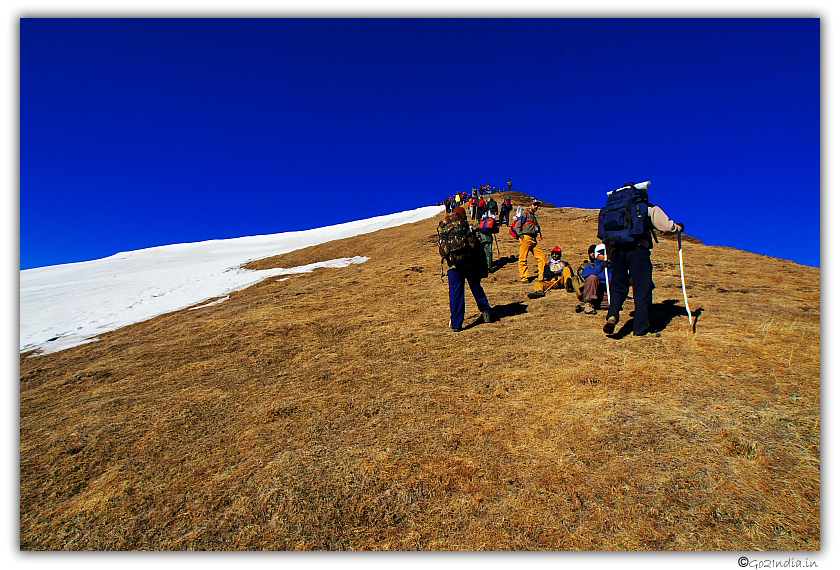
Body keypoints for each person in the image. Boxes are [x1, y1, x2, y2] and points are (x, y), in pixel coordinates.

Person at [600, 183, 684, 336]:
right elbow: (665, 227)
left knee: (618, 286)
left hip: (616, 250)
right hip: (638, 249)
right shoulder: (646, 207)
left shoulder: (611, 210)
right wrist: (677, 228)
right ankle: (640, 327)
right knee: (642, 287)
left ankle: (612, 315)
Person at [438, 206, 493, 332]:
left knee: (456, 293)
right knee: (476, 287)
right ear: (463, 215)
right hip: (470, 263)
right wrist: (484, 267)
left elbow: (442, 250)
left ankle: (457, 324)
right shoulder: (467, 226)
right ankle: (486, 311)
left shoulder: (445, 226)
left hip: (453, 265)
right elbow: (479, 248)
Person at [513, 200, 547, 285]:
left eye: (537, 205)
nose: (536, 207)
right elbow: (518, 225)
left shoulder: (534, 217)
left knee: (541, 257)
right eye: (534, 205)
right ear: (530, 205)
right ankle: (524, 278)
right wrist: (521, 235)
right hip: (526, 238)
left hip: (534, 240)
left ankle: (541, 277)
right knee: (523, 258)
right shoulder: (525, 214)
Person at [577, 244, 612, 314]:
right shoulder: (592, 266)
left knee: (612, 304)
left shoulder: (612, 267)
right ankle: (588, 303)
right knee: (592, 277)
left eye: (606, 252)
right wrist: (600, 267)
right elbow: (585, 274)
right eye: (602, 253)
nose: (604, 255)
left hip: (606, 293)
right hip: (594, 291)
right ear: (597, 255)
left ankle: (592, 305)